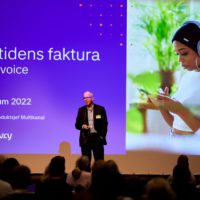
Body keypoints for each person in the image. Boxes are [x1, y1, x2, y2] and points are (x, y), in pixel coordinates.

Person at [150, 20, 200, 135]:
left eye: (184, 53)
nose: (179, 59)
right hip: (177, 145)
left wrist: (178, 109)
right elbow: (175, 124)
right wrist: (162, 106)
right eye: (177, 54)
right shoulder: (187, 77)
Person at [75, 91, 108, 169]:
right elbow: (77, 125)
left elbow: (105, 124)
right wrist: (82, 126)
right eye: (84, 98)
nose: (85, 99)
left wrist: (102, 137)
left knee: (99, 164)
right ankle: (86, 180)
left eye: (87, 97)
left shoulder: (100, 109)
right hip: (86, 139)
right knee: (86, 164)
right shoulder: (81, 110)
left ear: (92, 98)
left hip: (97, 139)